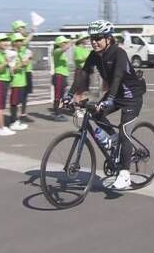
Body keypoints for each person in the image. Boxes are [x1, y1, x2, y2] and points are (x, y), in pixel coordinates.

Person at [62, 20, 146, 189]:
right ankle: (115, 142)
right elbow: (83, 74)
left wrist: (108, 99)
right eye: (92, 38)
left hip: (131, 96)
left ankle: (125, 174)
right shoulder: (95, 55)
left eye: (98, 37)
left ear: (108, 38)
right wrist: (69, 95)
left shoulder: (118, 53)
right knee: (95, 115)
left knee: (124, 132)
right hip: (115, 95)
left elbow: (117, 77)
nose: (94, 41)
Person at [0, 33, 16, 136]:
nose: (5, 42)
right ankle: (1, 129)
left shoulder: (5, 53)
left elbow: (10, 67)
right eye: (2, 41)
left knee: (1, 106)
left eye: (6, 40)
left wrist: (11, 68)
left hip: (5, 81)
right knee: (0, 106)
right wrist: (5, 63)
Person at [12, 20, 34, 122]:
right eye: (22, 27)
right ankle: (15, 117)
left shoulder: (23, 39)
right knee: (17, 96)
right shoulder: (16, 40)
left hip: (27, 69)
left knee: (25, 94)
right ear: (17, 29)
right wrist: (32, 32)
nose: (24, 29)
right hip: (20, 70)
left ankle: (23, 114)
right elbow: (25, 42)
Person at [8, 32, 29, 131]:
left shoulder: (20, 52)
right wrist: (22, 64)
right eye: (19, 41)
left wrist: (25, 63)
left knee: (18, 103)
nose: (21, 43)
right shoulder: (11, 53)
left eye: (21, 41)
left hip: (22, 81)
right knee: (14, 103)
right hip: (16, 82)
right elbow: (11, 69)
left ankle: (16, 120)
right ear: (14, 42)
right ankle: (13, 121)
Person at [51, 35, 71, 121]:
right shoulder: (56, 51)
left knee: (62, 96)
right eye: (64, 42)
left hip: (63, 75)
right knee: (58, 96)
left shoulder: (61, 52)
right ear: (60, 43)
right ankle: (56, 114)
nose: (66, 44)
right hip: (59, 75)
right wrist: (71, 42)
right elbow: (64, 49)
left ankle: (59, 112)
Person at [73, 33, 91, 101]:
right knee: (79, 91)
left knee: (84, 91)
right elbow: (78, 59)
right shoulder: (77, 48)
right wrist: (88, 58)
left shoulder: (85, 49)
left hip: (86, 71)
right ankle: (77, 107)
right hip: (80, 71)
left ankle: (82, 106)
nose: (87, 40)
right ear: (81, 40)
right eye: (85, 38)